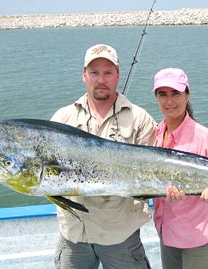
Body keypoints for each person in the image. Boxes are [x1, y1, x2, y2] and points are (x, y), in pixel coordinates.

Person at [51, 44, 157, 269]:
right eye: (94, 72)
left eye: (108, 72)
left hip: (120, 234)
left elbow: (150, 176)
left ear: (117, 75)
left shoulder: (141, 119)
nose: (101, 80)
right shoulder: (62, 118)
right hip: (74, 233)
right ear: (84, 75)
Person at [151, 68, 208, 269]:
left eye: (175, 93)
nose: (169, 101)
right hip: (167, 232)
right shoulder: (155, 134)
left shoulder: (205, 136)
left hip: (198, 236)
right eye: (163, 94)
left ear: (187, 94)